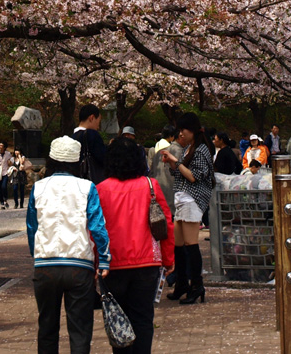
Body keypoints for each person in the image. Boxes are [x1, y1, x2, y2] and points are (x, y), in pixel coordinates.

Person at [27, 136, 111, 354]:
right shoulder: (87, 187)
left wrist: (35, 254)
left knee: (46, 326)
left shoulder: (38, 188)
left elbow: (32, 228)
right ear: (77, 162)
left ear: (51, 160)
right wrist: (104, 259)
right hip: (79, 266)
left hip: (45, 266)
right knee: (80, 329)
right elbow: (98, 227)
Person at [97, 139, 175, 354]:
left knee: (117, 319)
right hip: (147, 263)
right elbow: (166, 224)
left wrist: (96, 263)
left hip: (113, 265)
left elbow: (94, 230)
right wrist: (168, 260)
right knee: (142, 318)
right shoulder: (150, 186)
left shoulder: (100, 190)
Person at [159, 112, 214, 305]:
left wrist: (176, 162)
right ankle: (182, 283)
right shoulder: (189, 148)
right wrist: (173, 164)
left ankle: (197, 285)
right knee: (178, 244)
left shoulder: (201, 150)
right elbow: (181, 174)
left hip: (193, 199)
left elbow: (193, 176)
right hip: (182, 198)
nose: (180, 133)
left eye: (183, 129)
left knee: (191, 245)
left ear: (192, 130)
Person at [72, 103, 106, 184]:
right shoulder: (92, 135)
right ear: (92, 118)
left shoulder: (72, 137)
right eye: (98, 121)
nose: (98, 126)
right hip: (91, 181)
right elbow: (103, 158)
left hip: (75, 181)